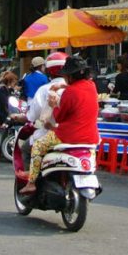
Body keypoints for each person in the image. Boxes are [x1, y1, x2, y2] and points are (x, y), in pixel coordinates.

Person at [20, 56, 99, 194]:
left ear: (70, 76)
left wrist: (53, 104)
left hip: (68, 136)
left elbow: (59, 117)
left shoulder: (69, 92)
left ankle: (31, 182)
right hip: (91, 137)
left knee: (37, 146)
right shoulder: (92, 87)